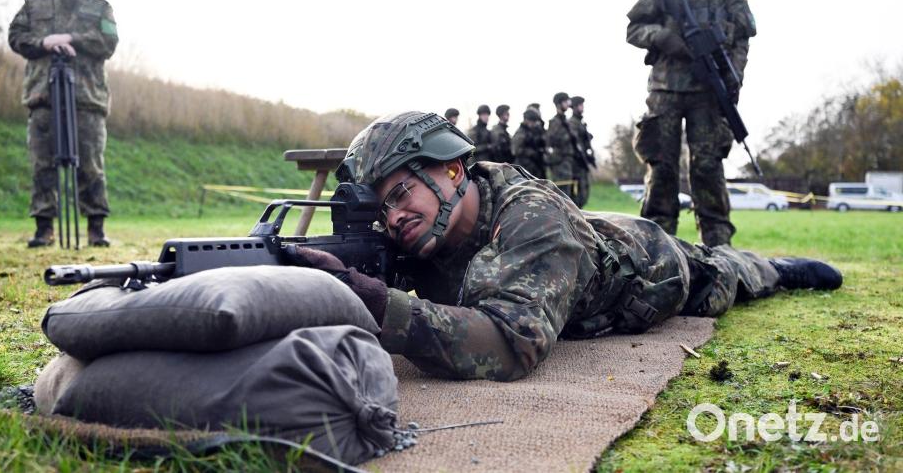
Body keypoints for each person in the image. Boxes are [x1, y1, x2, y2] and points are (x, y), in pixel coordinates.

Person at [289, 111, 842, 382]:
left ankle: (772, 267)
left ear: (454, 168)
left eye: (402, 191)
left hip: (646, 270)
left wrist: (380, 304)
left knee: (718, 275)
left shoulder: (533, 218)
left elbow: (511, 343)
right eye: (381, 206)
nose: (394, 216)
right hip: (576, 243)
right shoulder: (419, 229)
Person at [626, 0, 756, 247]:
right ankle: (655, 250)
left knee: (708, 167)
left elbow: (742, 38)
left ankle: (718, 249)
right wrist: (661, 37)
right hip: (666, 90)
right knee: (662, 169)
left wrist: (733, 78)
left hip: (708, 91)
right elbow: (633, 28)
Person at [9, 0, 118, 247]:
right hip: (43, 96)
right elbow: (15, 37)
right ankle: (44, 230)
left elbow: (109, 41)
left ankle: (96, 229)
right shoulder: (33, 5)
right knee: (42, 164)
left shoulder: (99, 7)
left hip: (87, 99)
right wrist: (45, 41)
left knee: (91, 165)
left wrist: (71, 39)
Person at [545, 92, 577, 202]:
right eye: (565, 101)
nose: (568, 104)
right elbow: (551, 142)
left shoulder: (566, 122)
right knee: (562, 194)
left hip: (568, 162)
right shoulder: (555, 122)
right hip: (560, 163)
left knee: (569, 194)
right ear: (559, 104)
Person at [568, 96, 596, 207]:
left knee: (584, 193)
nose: (582, 107)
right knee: (578, 194)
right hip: (576, 164)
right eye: (580, 105)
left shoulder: (580, 122)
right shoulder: (572, 123)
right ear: (574, 107)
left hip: (583, 163)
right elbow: (574, 142)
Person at [511, 108, 547, 179]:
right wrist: (530, 152)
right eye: (532, 121)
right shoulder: (520, 133)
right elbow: (515, 150)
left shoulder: (532, 131)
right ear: (526, 120)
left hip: (535, 167)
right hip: (524, 167)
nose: (534, 124)